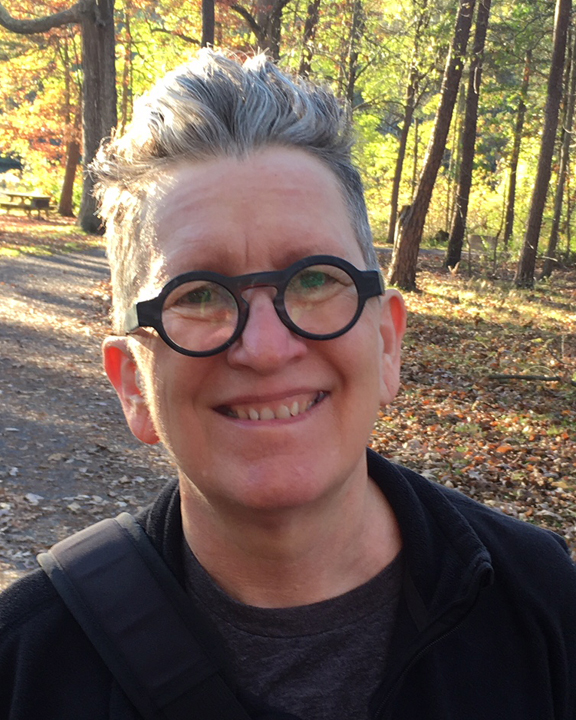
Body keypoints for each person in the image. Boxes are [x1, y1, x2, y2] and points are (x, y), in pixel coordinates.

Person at [1, 49, 575, 720]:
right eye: (199, 293)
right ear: (132, 383)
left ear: (387, 342)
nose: (266, 349)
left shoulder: (541, 607)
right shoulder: (30, 664)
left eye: (314, 280)